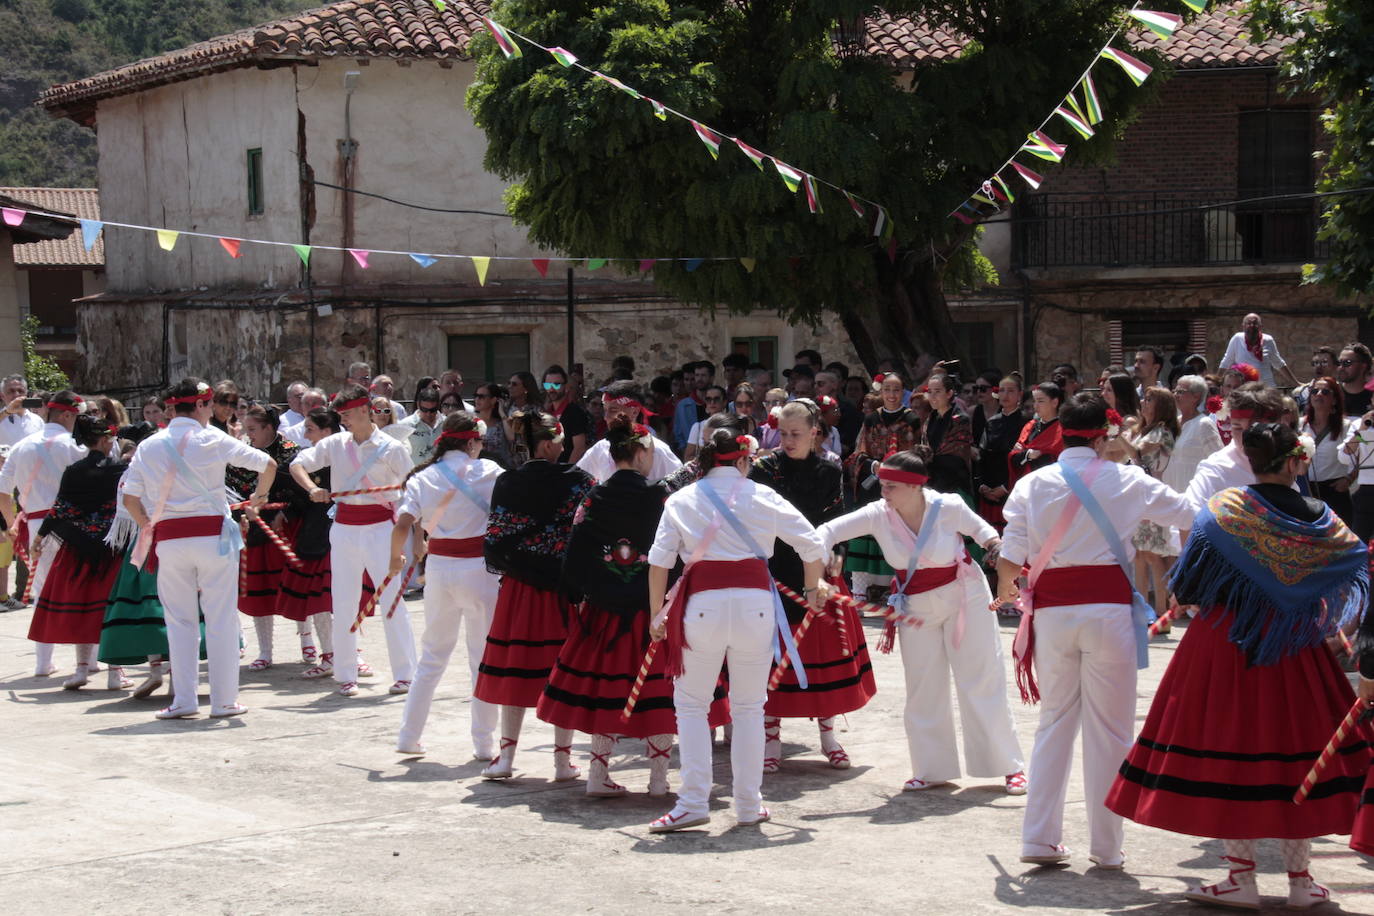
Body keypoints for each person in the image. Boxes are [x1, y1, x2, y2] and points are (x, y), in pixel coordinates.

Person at [1106, 422, 1370, 909]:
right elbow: (1356, 557)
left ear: (1250, 461)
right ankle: (1300, 881)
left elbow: (1189, 584)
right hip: (1296, 648)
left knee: (1227, 748)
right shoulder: (1321, 517)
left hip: (1225, 645)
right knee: (1297, 754)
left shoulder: (1227, 511)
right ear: (1297, 461)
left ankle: (1240, 877)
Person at [996, 393, 1195, 869]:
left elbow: (1008, 559)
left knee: (1054, 724)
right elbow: (1192, 515)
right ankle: (1106, 846)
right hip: (1107, 613)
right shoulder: (1128, 479)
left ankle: (1039, 838)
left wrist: (1006, 592)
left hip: (1054, 615)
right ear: (1104, 433)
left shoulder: (1033, 484)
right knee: (1110, 730)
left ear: (1060, 432)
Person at [645, 427, 830, 832]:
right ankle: (748, 804)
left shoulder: (682, 498)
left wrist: (656, 614)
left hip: (702, 609)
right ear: (743, 460)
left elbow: (658, 561)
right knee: (749, 708)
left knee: (692, 706)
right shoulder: (762, 495)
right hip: (755, 609)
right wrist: (813, 588)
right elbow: (813, 545)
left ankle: (694, 801)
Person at [819, 446, 1025, 795]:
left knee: (980, 679)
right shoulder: (876, 513)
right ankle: (931, 769)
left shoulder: (949, 506)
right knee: (922, 686)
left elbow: (988, 536)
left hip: (966, 597)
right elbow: (825, 531)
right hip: (914, 603)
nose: (883, 492)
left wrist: (1001, 563)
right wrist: (821, 569)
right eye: (882, 484)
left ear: (915, 486)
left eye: (891, 486)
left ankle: (1008, 766)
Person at [540, 419, 726, 796]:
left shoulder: (593, 498)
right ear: (640, 453)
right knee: (659, 694)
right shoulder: (660, 498)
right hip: (653, 612)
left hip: (604, 614)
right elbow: (679, 549)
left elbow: (574, 554)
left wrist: (581, 594)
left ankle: (597, 774)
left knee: (605, 694)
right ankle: (659, 779)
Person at [121, 378, 275, 719]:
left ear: (173, 408)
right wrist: (258, 501)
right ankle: (223, 701)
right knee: (221, 618)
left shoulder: (149, 446)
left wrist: (148, 525)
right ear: (203, 406)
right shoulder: (214, 438)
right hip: (214, 538)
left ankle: (184, 701)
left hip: (171, 540)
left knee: (179, 622)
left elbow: (130, 498)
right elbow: (269, 465)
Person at [750, 401, 874, 772]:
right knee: (770, 654)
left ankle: (827, 735)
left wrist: (836, 555)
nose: (787, 440)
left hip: (815, 571)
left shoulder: (828, 469)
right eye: (782, 433)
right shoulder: (763, 469)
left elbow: (833, 519)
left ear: (814, 433)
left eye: (796, 434)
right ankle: (770, 737)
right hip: (773, 570)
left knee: (821, 654)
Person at [476, 410, 594, 780]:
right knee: (564, 673)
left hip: (521, 590)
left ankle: (506, 757)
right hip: (563, 591)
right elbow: (586, 538)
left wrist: (522, 561)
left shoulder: (509, 482)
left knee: (516, 670)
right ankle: (562, 761)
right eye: (560, 440)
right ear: (548, 443)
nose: (563, 446)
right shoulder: (581, 482)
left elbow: (496, 538)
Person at [290, 384, 417, 698]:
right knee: (343, 601)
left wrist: (411, 537)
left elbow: (412, 491)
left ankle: (406, 674)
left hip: (381, 528)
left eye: (346, 413)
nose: (342, 419)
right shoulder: (335, 443)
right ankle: (345, 674)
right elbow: (296, 464)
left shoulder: (392, 448)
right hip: (345, 527)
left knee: (391, 600)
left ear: (365, 410)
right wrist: (311, 489)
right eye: (340, 414)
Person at [390, 411, 504, 760]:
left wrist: (398, 558)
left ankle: (408, 737)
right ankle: (484, 745)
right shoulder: (491, 472)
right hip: (480, 571)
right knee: (482, 658)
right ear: (471, 442)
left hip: (439, 570)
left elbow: (404, 523)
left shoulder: (422, 477)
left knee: (432, 655)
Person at [28, 414, 130, 690]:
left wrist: (39, 537)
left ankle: (82, 670)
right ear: (105, 439)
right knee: (110, 609)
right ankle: (115, 671)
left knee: (84, 607)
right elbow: (128, 507)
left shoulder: (73, 471)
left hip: (78, 549)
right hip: (112, 549)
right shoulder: (119, 470)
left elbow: (61, 508)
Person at [0, 389, 88, 676]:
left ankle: (43, 662)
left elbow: (3, 494)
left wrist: (12, 525)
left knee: (42, 593)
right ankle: (87, 660)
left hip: (35, 524)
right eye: (76, 415)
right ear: (65, 414)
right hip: (74, 525)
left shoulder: (21, 447)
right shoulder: (76, 447)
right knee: (82, 588)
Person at [229, 405, 311, 670]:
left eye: (252, 429)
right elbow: (233, 486)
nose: (248, 435)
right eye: (245, 429)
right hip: (254, 526)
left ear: (269, 427)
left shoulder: (291, 453)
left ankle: (307, 643)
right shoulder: (245, 453)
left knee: (296, 586)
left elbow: (301, 491)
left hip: (287, 528)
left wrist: (285, 511)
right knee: (259, 589)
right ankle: (265, 651)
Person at [844, 372, 920, 601]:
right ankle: (861, 589)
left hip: (901, 485)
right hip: (873, 484)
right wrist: (873, 464)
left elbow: (919, 453)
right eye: (887, 389)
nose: (891, 395)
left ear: (903, 392)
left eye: (896, 390)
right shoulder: (871, 419)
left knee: (898, 534)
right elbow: (859, 452)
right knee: (867, 531)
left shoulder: (912, 419)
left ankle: (896, 587)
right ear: (881, 392)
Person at [277, 407, 340, 678]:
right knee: (321, 601)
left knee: (347, 600)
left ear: (327, 432)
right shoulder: (306, 457)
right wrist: (289, 509)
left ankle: (349, 654)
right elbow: (291, 478)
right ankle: (329, 655)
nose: (304, 434)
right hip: (317, 537)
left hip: (348, 534)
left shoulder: (350, 452)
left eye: (310, 429)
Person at [1122, 387, 1181, 631]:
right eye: (1144, 399)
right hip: (1139, 496)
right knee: (1138, 555)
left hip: (1153, 495)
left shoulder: (1162, 432)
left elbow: (1136, 453)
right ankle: (1143, 609)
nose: (1144, 403)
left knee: (1154, 555)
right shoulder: (1143, 430)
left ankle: (1161, 613)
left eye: (1150, 400)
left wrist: (1117, 435)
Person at [1185, 383, 1283, 513]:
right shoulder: (1216, 470)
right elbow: (1188, 517)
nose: (1246, 437)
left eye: (1256, 428)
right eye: (1238, 428)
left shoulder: (1284, 461)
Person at [578, 382, 682, 483]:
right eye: (605, 410)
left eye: (613, 410)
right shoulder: (600, 449)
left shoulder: (658, 451)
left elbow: (679, 491)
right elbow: (579, 481)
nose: (606, 417)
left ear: (635, 412)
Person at [1301, 376, 1355, 525]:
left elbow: (1360, 456)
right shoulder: (1300, 425)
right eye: (1314, 391)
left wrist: (1349, 479)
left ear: (1335, 399)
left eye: (1325, 392)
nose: (1318, 394)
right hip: (1306, 491)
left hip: (1334, 492)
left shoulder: (1347, 427)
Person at [977, 375, 1027, 531]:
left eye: (1011, 391)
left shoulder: (1027, 422)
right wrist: (981, 485)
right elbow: (982, 455)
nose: (1005, 395)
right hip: (989, 490)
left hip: (1013, 489)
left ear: (1020, 394)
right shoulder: (992, 422)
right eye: (1002, 390)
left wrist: (1005, 487)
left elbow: (1024, 460)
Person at [1163, 376, 1222, 495]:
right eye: (1174, 391)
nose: (1175, 395)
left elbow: (1219, 461)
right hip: (1171, 494)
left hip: (1194, 495)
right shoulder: (1174, 422)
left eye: (1181, 392)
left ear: (1196, 396)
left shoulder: (1204, 424)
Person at [921, 373, 974, 499]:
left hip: (954, 486)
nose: (932, 396)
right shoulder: (930, 418)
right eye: (930, 391)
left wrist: (927, 460)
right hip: (931, 483)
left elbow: (955, 457)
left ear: (949, 393)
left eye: (937, 391)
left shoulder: (960, 419)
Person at [1007, 382, 1064, 491]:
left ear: (1055, 402)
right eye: (1034, 401)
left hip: (1052, 487)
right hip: (1028, 485)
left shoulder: (1063, 429)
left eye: (1040, 401)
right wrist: (1028, 454)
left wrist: (1032, 453)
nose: (1035, 405)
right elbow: (1014, 457)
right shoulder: (1030, 426)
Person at [1219, 313, 1300, 388]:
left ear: (1260, 326)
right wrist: (1217, 382)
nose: (1252, 326)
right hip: (1245, 389)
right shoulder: (1237, 339)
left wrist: (1297, 383)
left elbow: (1278, 363)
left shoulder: (1268, 340)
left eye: (1255, 323)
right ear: (1243, 326)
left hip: (1266, 388)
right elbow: (1226, 362)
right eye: (1248, 323)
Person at [543, 364, 590, 464]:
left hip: (566, 472)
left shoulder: (575, 412)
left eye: (556, 385)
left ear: (566, 387)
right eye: (547, 385)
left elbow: (579, 448)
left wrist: (566, 473)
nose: (551, 389)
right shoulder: (546, 413)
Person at [673, 361, 714, 453]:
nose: (699, 379)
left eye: (703, 375)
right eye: (697, 375)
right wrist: (687, 451)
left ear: (711, 378)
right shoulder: (682, 405)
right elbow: (678, 434)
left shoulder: (718, 401)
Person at [472, 382, 513, 468]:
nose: (477, 399)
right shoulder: (471, 421)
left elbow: (511, 437)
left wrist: (502, 414)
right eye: (475, 396)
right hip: (478, 469)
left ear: (493, 400)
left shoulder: (502, 422)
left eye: (481, 396)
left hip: (501, 469)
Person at [399, 387, 443, 465]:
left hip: (441, 474)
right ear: (418, 405)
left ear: (438, 405)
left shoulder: (447, 424)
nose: (428, 414)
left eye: (432, 410)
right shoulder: (405, 425)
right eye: (424, 410)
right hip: (415, 474)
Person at [683, 386, 728, 461]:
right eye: (708, 399)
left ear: (724, 402)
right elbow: (688, 457)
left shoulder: (731, 425)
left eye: (716, 399)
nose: (712, 402)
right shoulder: (698, 427)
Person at [0, 374, 44, 448]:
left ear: (26, 394)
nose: (17, 395)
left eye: (21, 391)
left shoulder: (37, 420)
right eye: (11, 391)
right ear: (2, 396)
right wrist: (7, 412)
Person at [1337, 343, 1374, 418]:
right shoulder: (1330, 393)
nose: (1341, 367)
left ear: (1363, 366)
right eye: (1339, 362)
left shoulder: (1372, 396)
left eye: (1347, 363)